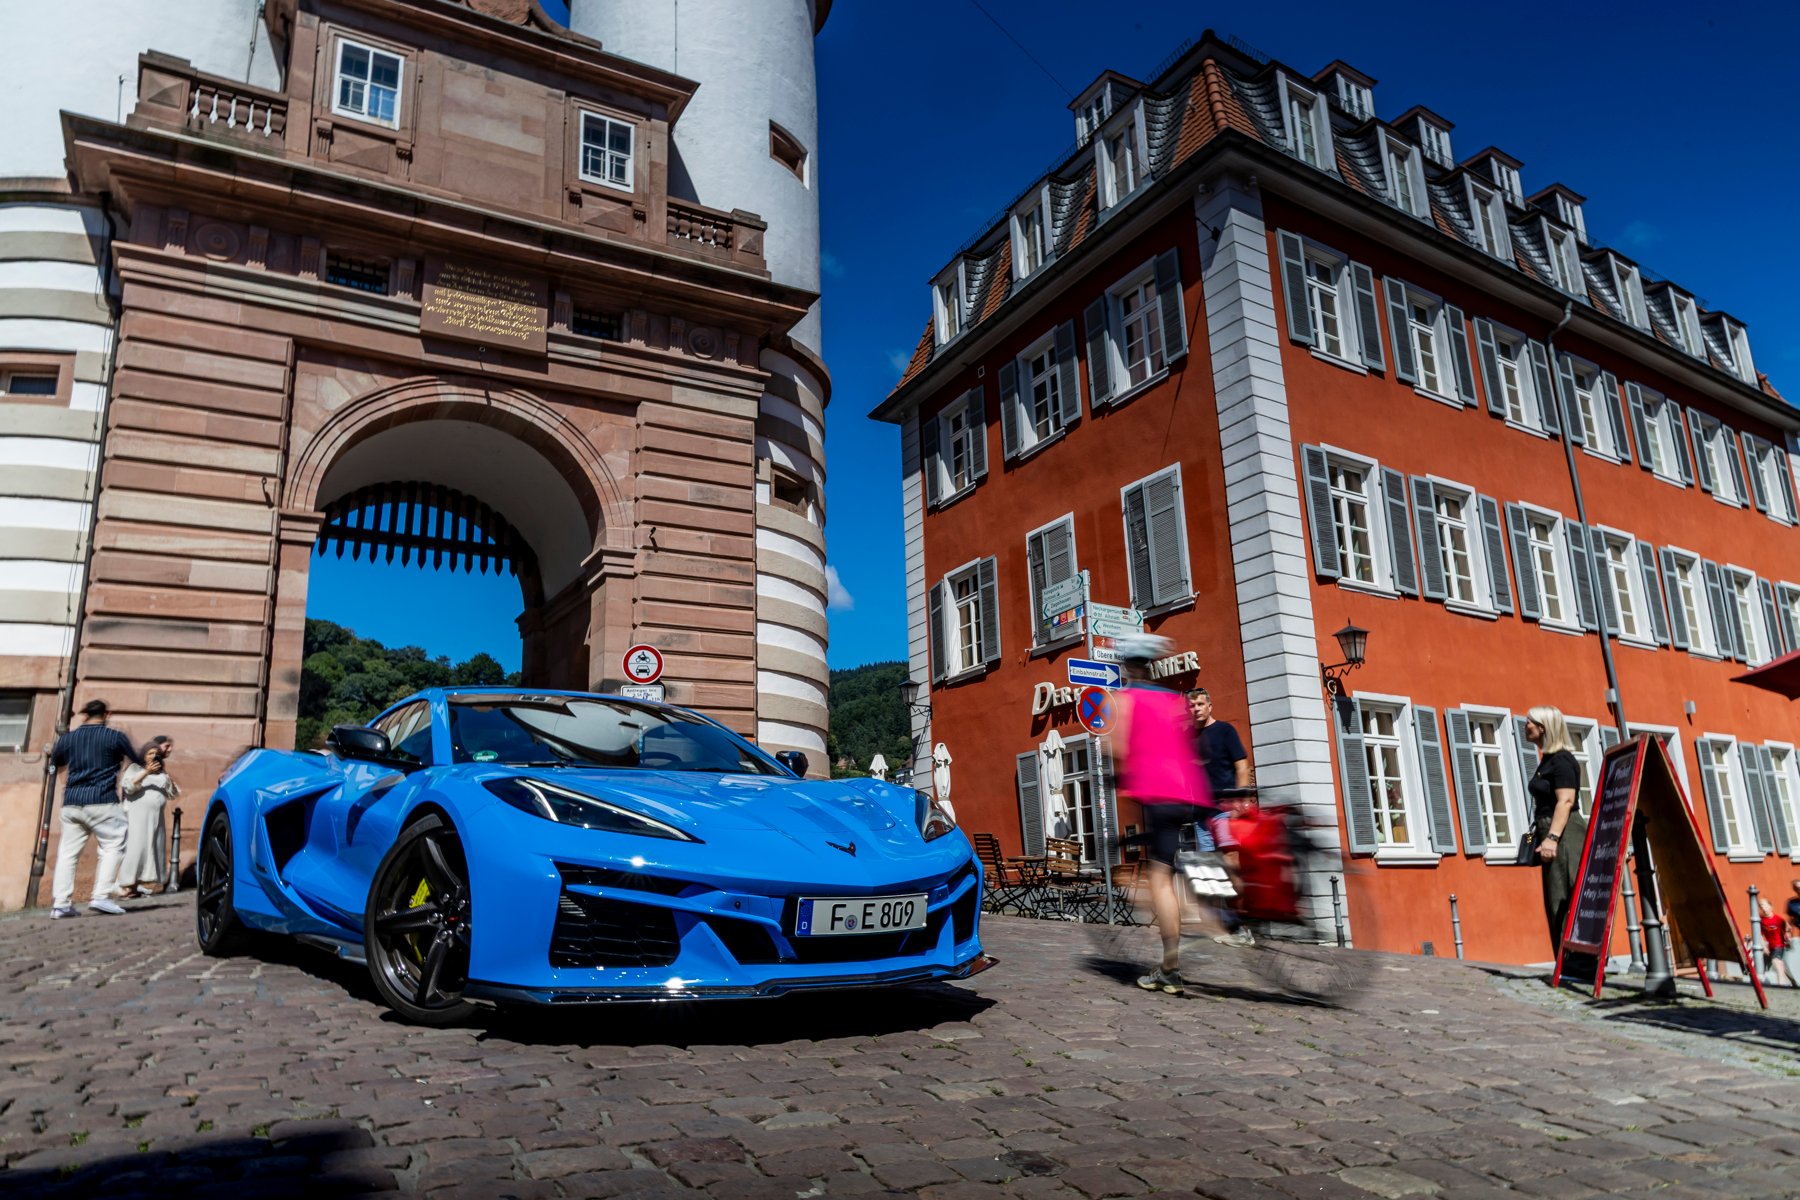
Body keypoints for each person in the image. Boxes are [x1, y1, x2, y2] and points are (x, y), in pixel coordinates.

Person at [1109, 633, 1213, 996]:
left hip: (1158, 795)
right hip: (1188, 793)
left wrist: (1120, 778)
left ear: (1127, 666)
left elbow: (1118, 749)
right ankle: (1218, 917)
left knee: (1160, 878)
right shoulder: (1172, 700)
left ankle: (1170, 966)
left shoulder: (1125, 699)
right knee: (1179, 865)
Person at [48, 699, 144, 918]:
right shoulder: (115, 737)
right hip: (103, 800)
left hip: (72, 801)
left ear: (85, 715)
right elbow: (137, 759)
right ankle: (101, 896)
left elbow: (55, 764)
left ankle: (60, 904)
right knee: (113, 845)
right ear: (106, 714)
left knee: (67, 854)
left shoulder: (68, 738)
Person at [1523, 706, 1591, 977]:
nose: (1526, 725)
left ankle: (1578, 965)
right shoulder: (1548, 760)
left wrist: (1552, 838)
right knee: (1555, 898)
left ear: (1543, 727)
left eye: (1530, 721)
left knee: (1566, 897)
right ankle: (1567, 964)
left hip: (1564, 832)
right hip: (1551, 830)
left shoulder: (1561, 760)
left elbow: (1566, 801)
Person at [117, 736, 177, 899]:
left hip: (155, 819)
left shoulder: (161, 774)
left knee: (150, 848)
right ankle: (126, 885)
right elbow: (128, 787)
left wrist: (165, 776)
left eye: (156, 753)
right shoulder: (135, 769)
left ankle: (137, 885)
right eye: (150, 753)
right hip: (138, 818)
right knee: (136, 848)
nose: (153, 756)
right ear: (143, 755)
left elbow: (173, 793)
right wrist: (146, 772)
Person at [1186, 688, 1250, 795]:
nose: (1196, 709)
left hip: (1226, 800)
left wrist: (1242, 799)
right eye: (1192, 706)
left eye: (1200, 704)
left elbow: (1242, 767)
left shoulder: (1225, 730)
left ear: (1209, 707)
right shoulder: (1186, 737)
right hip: (1200, 802)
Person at [1757, 899, 1793, 987]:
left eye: (1765, 905)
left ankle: (1781, 985)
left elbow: (1788, 928)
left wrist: (1788, 937)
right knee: (1780, 964)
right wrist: (1764, 946)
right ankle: (1793, 982)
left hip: (1779, 945)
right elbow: (1759, 934)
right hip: (1770, 946)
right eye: (1761, 906)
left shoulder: (1778, 919)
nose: (1764, 908)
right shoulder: (1760, 920)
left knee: (1775, 961)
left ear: (1770, 907)